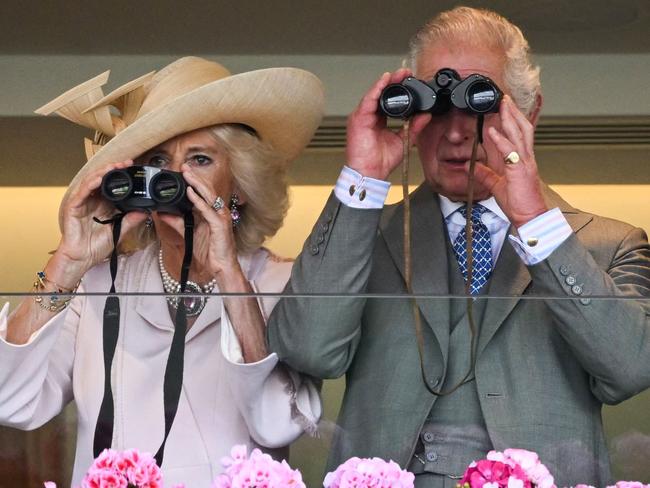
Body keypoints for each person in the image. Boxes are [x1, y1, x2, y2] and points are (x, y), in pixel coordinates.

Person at [267, 7, 650, 487]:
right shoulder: (365, 233)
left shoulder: (607, 245)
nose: (455, 131)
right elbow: (306, 349)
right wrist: (363, 178)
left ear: (528, 112)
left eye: (480, 103)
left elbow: (630, 369)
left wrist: (535, 223)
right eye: (437, 106)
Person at [0, 56, 324, 487]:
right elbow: (11, 402)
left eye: (200, 160)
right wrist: (67, 262)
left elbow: (277, 424)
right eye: (158, 160)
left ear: (240, 188)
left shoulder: (281, 284)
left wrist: (228, 272)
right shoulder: (98, 285)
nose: (177, 178)